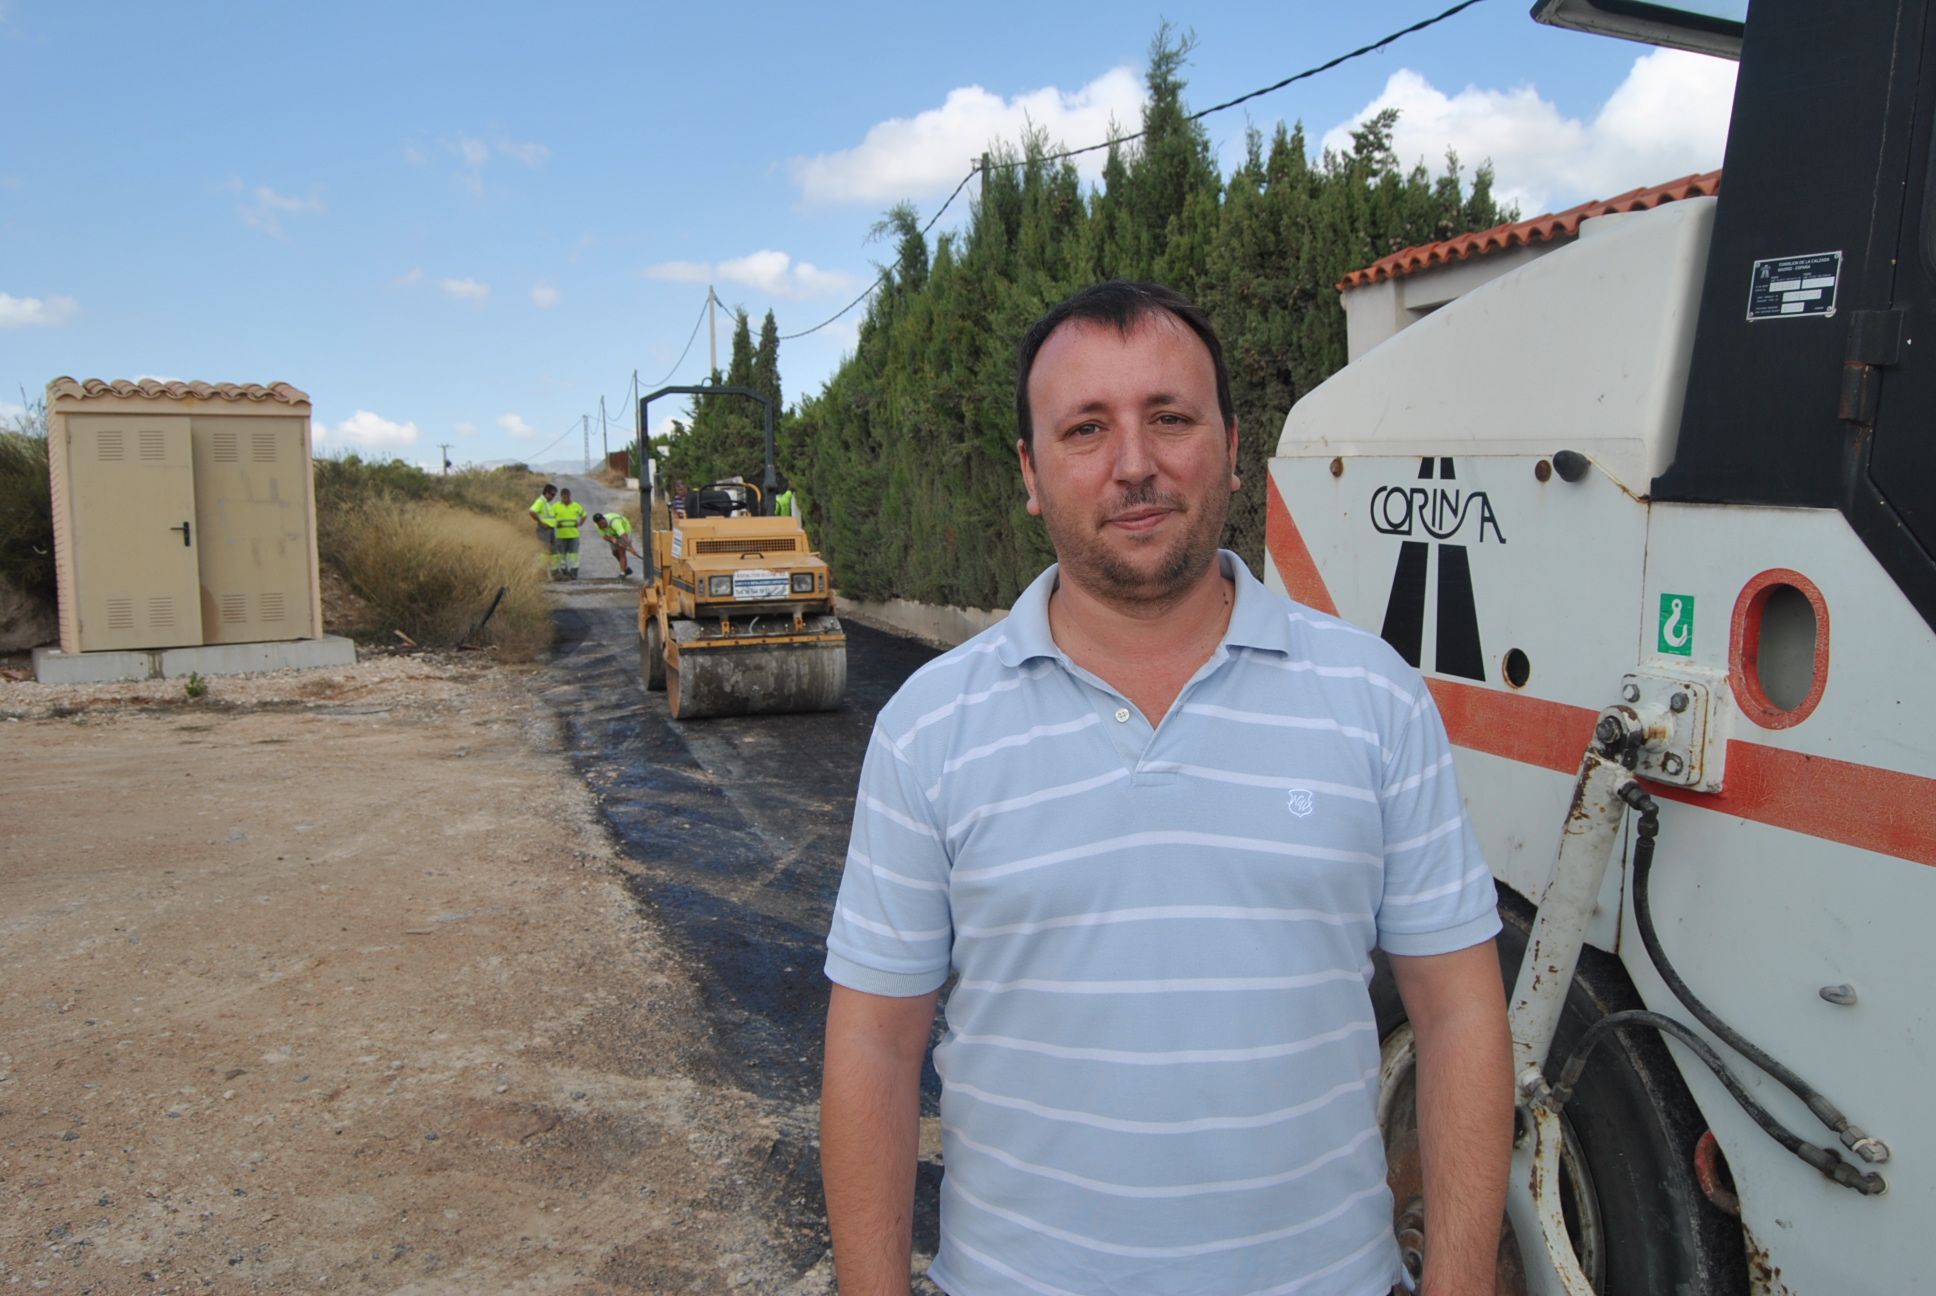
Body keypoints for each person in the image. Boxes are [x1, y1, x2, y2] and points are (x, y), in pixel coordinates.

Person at [819, 280, 1513, 1296]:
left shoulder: (1374, 700)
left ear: (1232, 448)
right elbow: (874, 1049)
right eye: (1086, 428)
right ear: (1031, 472)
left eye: (1170, 418)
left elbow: (1459, 1017)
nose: (1134, 463)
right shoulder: (929, 729)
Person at [552, 488, 587, 580]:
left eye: (567, 497)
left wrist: (580, 523)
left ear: (570, 496)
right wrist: (556, 524)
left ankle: (574, 572)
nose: (566, 499)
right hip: (561, 535)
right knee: (562, 554)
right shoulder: (555, 506)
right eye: (564, 497)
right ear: (561, 496)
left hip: (573, 535)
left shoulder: (575, 505)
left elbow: (584, 515)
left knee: (574, 555)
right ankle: (564, 571)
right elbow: (550, 518)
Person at [591, 511, 639, 577]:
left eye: (602, 523)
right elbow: (604, 536)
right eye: (599, 524)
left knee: (621, 552)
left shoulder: (615, 522)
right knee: (615, 553)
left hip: (624, 532)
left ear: (604, 519)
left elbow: (623, 535)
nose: (602, 525)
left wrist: (631, 548)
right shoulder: (598, 526)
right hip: (613, 534)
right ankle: (626, 568)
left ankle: (622, 573)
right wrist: (612, 539)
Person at [528, 483, 562, 577]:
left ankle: (555, 573)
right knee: (544, 551)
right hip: (544, 530)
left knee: (554, 551)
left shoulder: (547, 503)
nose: (553, 497)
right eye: (552, 494)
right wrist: (541, 522)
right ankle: (542, 574)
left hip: (551, 529)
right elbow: (532, 511)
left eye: (554, 495)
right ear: (546, 493)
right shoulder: (540, 501)